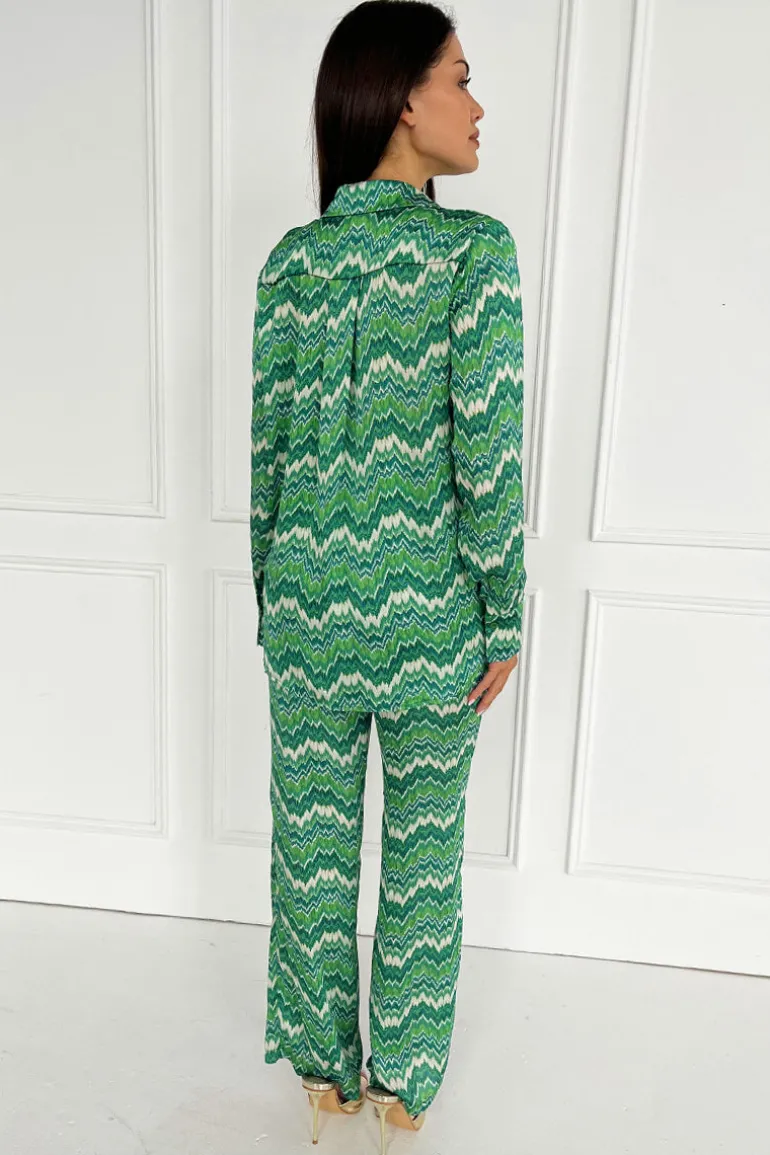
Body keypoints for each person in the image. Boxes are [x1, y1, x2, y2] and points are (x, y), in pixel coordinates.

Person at [250, 2, 526, 1148]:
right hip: (431, 628)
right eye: (458, 78)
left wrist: (274, 603)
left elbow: (267, 459)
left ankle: (323, 1083)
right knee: (419, 868)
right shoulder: (473, 254)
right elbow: (486, 453)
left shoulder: (291, 262)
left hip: (305, 616)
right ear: (403, 99)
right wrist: (503, 615)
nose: (476, 104)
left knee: (309, 859)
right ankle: (401, 1095)